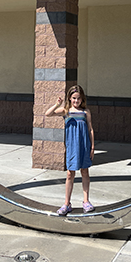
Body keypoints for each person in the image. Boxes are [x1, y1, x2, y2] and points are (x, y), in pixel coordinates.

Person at [45, 84, 95, 215]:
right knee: (69, 174)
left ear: (82, 99)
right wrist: (57, 104)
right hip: (72, 146)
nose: (76, 101)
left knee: (85, 171)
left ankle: (86, 201)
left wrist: (93, 146)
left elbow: (90, 129)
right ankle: (67, 204)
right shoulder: (66, 111)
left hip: (84, 145)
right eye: (73, 98)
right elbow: (48, 114)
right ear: (70, 98)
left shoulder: (85, 112)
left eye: (78, 98)